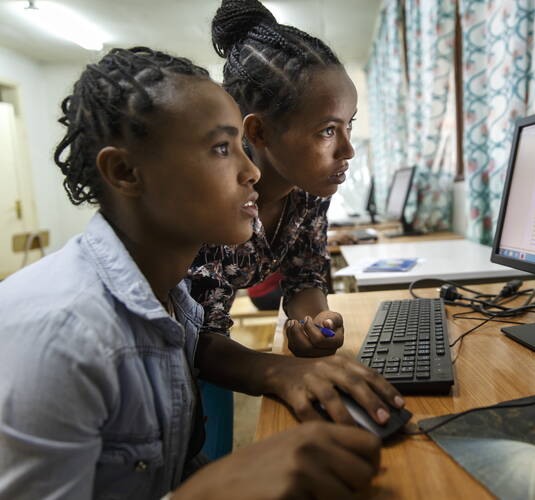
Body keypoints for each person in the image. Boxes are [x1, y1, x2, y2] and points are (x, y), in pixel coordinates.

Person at [0, 47, 403, 499]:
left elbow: (161, 471)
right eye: (220, 148)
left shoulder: (176, 309)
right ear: (125, 171)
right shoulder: (61, 335)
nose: (251, 171)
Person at [189, 0, 358, 358]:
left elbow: (304, 277)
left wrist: (316, 324)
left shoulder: (309, 195)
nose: (348, 150)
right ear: (259, 131)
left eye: (349, 125)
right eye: (328, 130)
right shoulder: (211, 199)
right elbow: (197, 335)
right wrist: (280, 373)